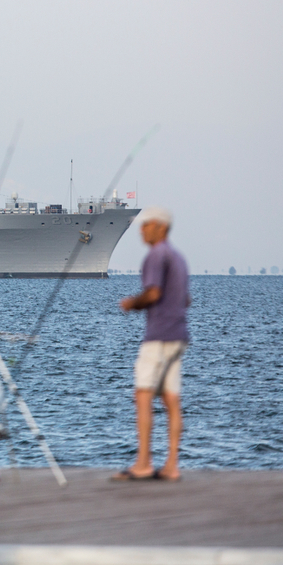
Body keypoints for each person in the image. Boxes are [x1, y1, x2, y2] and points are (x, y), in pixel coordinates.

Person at [113, 206, 190, 482]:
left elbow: (154, 293)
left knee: (143, 395)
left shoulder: (155, 256)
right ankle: (171, 466)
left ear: (160, 226)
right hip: (179, 335)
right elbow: (186, 299)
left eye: (145, 225)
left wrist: (131, 303)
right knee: (171, 399)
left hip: (158, 336)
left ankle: (143, 463)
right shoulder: (179, 258)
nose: (140, 230)